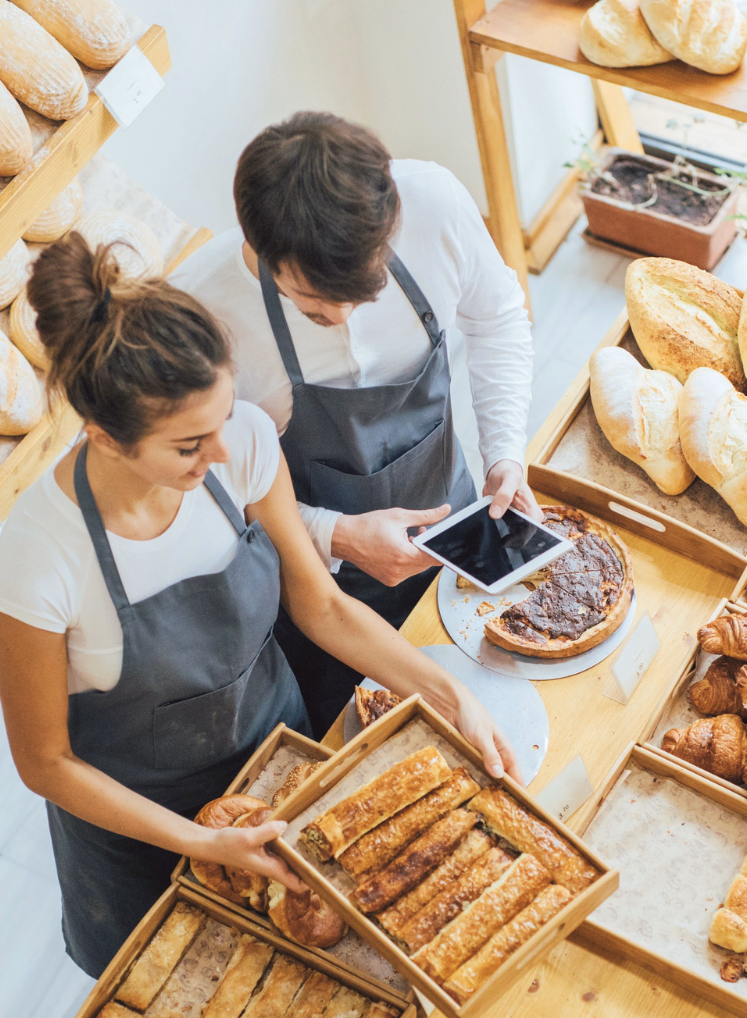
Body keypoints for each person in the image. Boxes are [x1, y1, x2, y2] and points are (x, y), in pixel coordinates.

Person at [0, 235, 515, 977]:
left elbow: (321, 608)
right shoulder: (38, 563)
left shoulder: (245, 444)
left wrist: (448, 694)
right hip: (144, 841)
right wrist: (201, 843)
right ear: (102, 436)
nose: (223, 456)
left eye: (225, 419)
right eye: (189, 446)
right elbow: (45, 762)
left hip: (280, 772)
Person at [170, 111, 537, 726]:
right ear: (260, 249)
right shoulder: (201, 317)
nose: (341, 317)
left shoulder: (434, 205)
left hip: (457, 531)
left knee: (495, 700)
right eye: (314, 302)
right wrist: (333, 534)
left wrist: (505, 450)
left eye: (361, 295)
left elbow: (497, 319)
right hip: (318, 591)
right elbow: (205, 496)